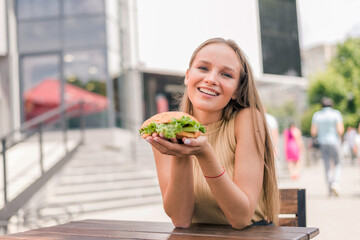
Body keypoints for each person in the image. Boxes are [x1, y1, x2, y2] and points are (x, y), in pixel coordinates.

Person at [144, 38, 279, 229]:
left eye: (226, 74)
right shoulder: (165, 129)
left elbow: (241, 218)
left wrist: (204, 153)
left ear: (236, 90)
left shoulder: (248, 118)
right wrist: (181, 154)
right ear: (187, 76)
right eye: (203, 68)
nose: (211, 79)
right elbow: (181, 219)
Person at [311, 97, 344, 197]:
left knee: (327, 165)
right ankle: (335, 182)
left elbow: (313, 132)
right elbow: (340, 130)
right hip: (334, 142)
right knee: (338, 163)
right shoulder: (336, 114)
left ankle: (330, 187)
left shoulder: (317, 115)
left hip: (322, 143)